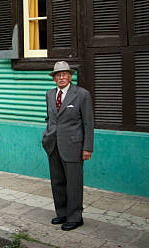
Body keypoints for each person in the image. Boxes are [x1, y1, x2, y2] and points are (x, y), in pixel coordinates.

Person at [42, 61, 94, 231]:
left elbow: (88, 123)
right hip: (53, 145)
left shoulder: (82, 94)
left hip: (73, 147)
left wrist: (87, 148)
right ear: (54, 78)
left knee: (74, 184)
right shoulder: (49, 94)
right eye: (58, 75)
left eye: (64, 74)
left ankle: (75, 217)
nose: (61, 77)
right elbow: (49, 118)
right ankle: (62, 213)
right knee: (57, 182)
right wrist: (46, 136)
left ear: (70, 76)